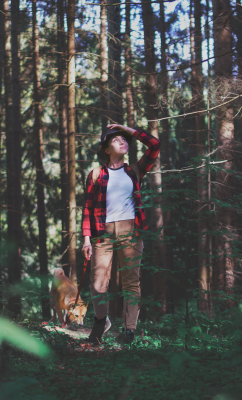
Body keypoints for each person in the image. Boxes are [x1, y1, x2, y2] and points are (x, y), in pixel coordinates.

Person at [81, 123, 160, 344]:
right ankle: (101, 320)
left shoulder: (135, 170)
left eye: (125, 140)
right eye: (117, 140)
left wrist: (128, 129)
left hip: (131, 231)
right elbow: (87, 207)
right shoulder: (96, 173)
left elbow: (154, 145)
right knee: (98, 283)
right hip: (101, 232)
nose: (123, 142)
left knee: (131, 282)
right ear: (106, 149)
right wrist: (86, 238)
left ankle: (128, 331)